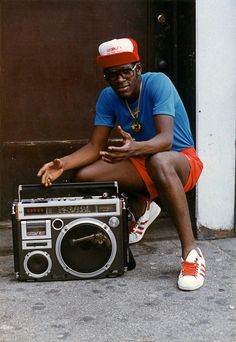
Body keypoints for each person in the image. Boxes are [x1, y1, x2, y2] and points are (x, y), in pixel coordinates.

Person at [37, 38, 206, 291]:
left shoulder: (158, 83)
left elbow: (165, 140)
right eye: (111, 74)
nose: (119, 79)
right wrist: (63, 164)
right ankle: (141, 208)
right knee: (83, 175)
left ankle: (191, 253)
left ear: (138, 68)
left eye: (125, 71)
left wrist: (134, 148)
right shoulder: (108, 97)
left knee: (159, 161)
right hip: (142, 161)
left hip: (180, 161)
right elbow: (95, 147)